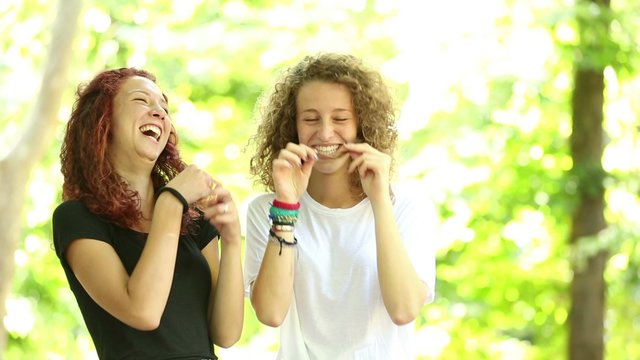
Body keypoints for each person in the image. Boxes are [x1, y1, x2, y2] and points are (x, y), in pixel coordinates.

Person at [244, 53, 437, 359]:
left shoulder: (407, 208)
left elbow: (404, 309)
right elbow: (270, 313)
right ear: (292, 126)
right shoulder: (267, 209)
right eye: (310, 118)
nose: (324, 132)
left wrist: (379, 202)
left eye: (340, 118)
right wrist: (287, 206)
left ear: (363, 122)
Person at [52, 68, 244, 360]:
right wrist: (171, 201)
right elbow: (143, 312)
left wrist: (231, 242)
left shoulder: (192, 217)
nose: (160, 113)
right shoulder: (77, 218)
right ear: (104, 121)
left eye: (165, 108)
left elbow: (226, 333)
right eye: (142, 101)